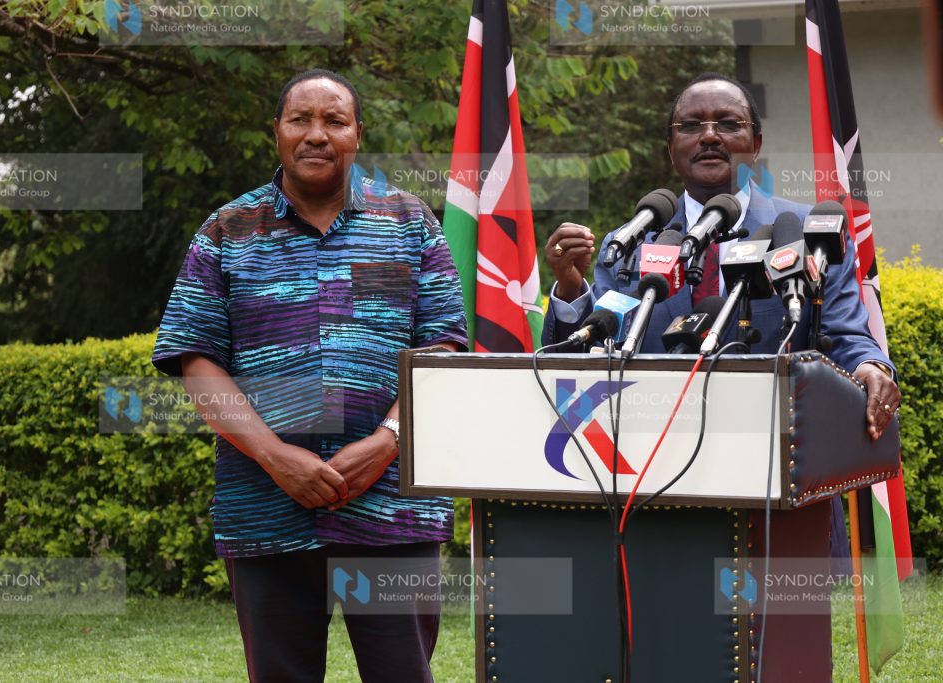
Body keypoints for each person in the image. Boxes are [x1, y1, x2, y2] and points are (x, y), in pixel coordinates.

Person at [151, 69, 466, 682]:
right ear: (277, 131)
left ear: (357, 134)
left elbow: (444, 347)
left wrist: (389, 441)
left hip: (391, 508)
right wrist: (275, 457)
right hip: (266, 506)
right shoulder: (225, 233)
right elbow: (197, 360)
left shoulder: (409, 223)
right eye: (301, 119)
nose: (316, 135)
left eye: (334, 121)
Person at [542, 72, 900, 436]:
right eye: (691, 125)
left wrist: (872, 368)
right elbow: (594, 352)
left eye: (729, 124)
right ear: (670, 147)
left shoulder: (812, 233)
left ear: (755, 144)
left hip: (777, 452)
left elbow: (846, 337)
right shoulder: (631, 241)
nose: (709, 136)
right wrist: (571, 290)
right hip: (653, 459)